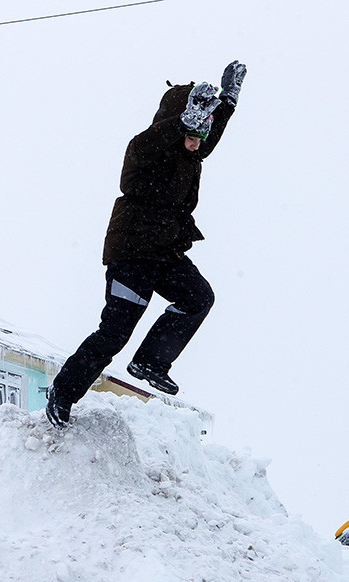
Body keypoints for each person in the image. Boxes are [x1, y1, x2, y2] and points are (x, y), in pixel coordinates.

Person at [46, 61, 246, 428]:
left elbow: (205, 135)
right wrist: (187, 119)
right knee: (115, 333)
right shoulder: (146, 147)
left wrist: (227, 105)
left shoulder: (191, 150)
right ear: (178, 121)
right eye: (191, 131)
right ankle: (62, 392)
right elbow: (167, 135)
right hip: (133, 253)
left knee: (198, 297)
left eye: (201, 134)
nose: (196, 142)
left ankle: (151, 361)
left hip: (166, 254)